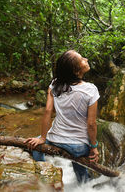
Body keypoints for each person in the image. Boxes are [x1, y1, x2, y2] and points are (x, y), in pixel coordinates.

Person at [25, 50, 100, 183]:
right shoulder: (91, 90)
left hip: (55, 139)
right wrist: (94, 147)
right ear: (76, 71)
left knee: (35, 145)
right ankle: (84, 185)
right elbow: (91, 124)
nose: (86, 59)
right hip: (79, 147)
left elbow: (48, 111)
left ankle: (44, 177)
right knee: (80, 164)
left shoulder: (55, 84)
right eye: (82, 59)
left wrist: (43, 138)